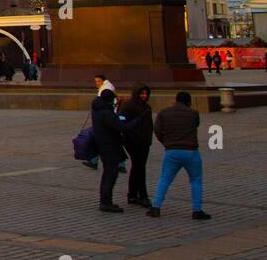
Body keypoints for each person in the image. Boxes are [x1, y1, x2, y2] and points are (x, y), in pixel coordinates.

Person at [149, 92, 211, 220]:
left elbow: (157, 129)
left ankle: (156, 207)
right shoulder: (194, 113)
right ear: (189, 102)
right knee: (196, 180)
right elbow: (196, 125)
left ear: (175, 101)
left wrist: (165, 141)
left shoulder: (164, 113)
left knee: (164, 179)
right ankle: (197, 210)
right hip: (191, 151)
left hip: (171, 151)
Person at [90, 80, 141, 212]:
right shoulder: (106, 113)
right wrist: (136, 122)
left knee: (108, 173)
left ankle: (105, 201)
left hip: (103, 145)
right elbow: (120, 127)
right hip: (109, 146)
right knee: (110, 174)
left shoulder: (99, 109)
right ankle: (106, 202)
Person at [118, 84, 153, 208]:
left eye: (146, 93)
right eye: (142, 93)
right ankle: (143, 196)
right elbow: (121, 121)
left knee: (138, 167)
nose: (144, 96)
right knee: (140, 167)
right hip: (132, 141)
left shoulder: (146, 106)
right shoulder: (128, 105)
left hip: (144, 141)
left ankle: (132, 195)